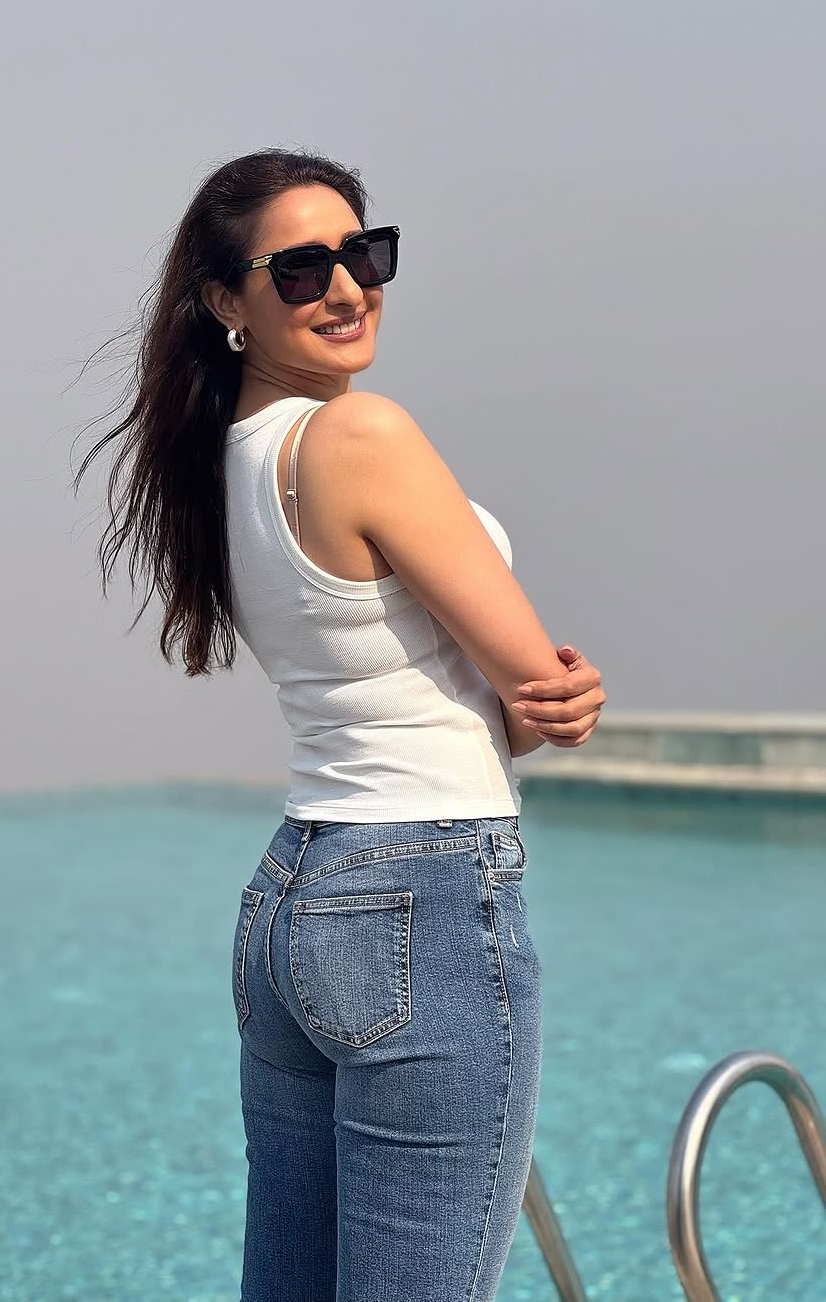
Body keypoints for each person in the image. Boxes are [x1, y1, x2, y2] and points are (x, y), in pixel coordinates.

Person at [74, 147, 606, 1302]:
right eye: (302, 268)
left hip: (293, 895)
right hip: (424, 885)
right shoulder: (362, 437)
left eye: (365, 254)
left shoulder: (219, 463)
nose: (348, 287)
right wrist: (560, 696)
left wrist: (521, 701)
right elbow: (532, 692)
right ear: (228, 300)